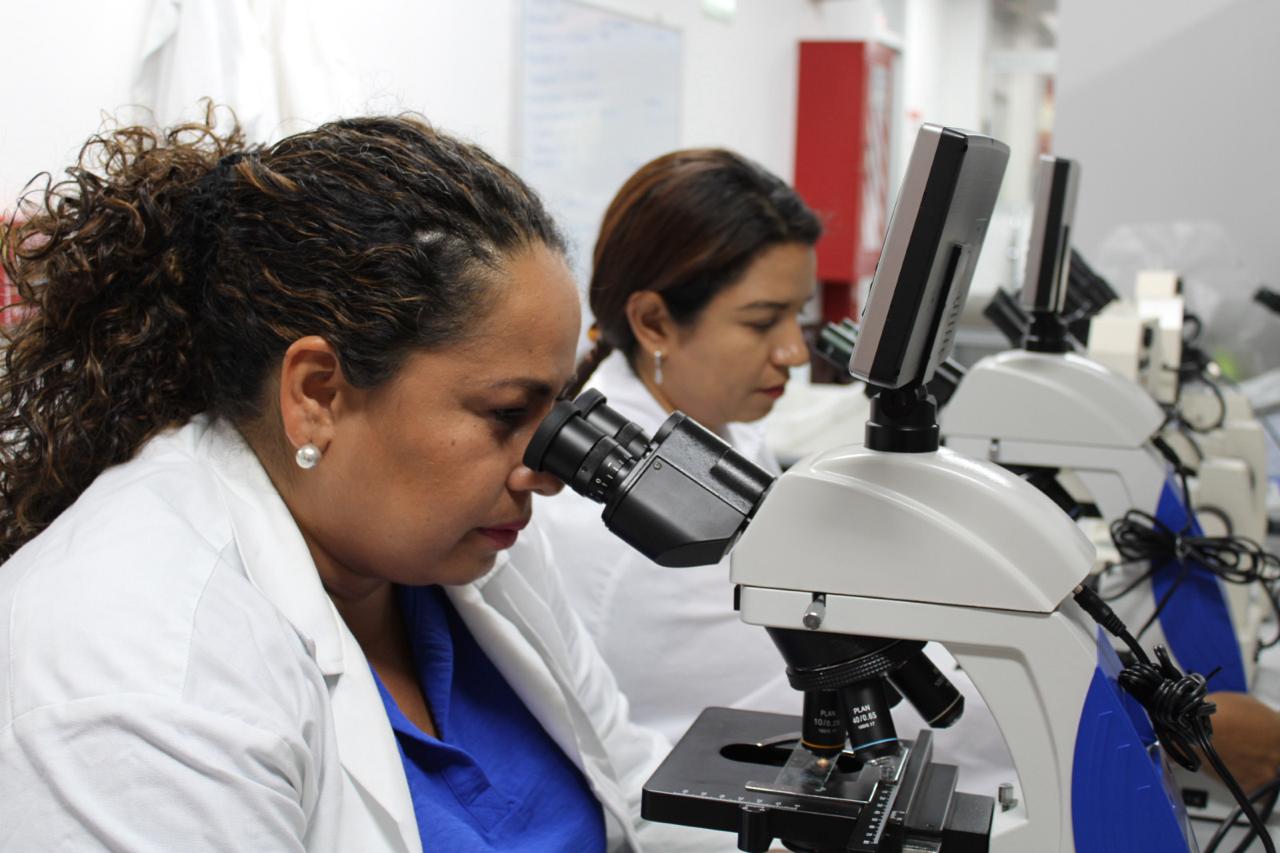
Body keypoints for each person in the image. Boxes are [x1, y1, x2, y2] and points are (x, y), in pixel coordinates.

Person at [0, 108, 722, 852]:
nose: (545, 471)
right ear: (316, 394)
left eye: (554, 407)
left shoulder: (464, 547)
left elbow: (635, 792)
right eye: (508, 411)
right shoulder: (140, 673)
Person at [533, 147, 1019, 797]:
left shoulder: (715, 432)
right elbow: (853, 703)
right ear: (654, 321)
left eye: (799, 316)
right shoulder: (639, 529)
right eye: (763, 321)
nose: (794, 350)